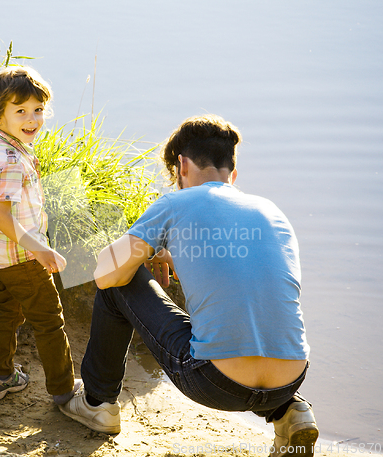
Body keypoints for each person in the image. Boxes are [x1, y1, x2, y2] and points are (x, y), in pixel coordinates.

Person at [58, 114, 319, 457]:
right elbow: (245, 281)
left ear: (181, 166)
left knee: (121, 280)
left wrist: (140, 256)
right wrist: (176, 256)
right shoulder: (271, 211)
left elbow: (105, 273)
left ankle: (97, 403)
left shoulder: (175, 203)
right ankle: (289, 411)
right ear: (233, 174)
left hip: (216, 383)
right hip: (291, 379)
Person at [0, 66, 80, 404]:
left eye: (38, 110)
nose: (32, 119)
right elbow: (2, 215)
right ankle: (64, 390)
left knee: (8, 308)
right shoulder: (12, 160)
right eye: (20, 111)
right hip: (19, 256)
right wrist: (40, 250)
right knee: (49, 319)